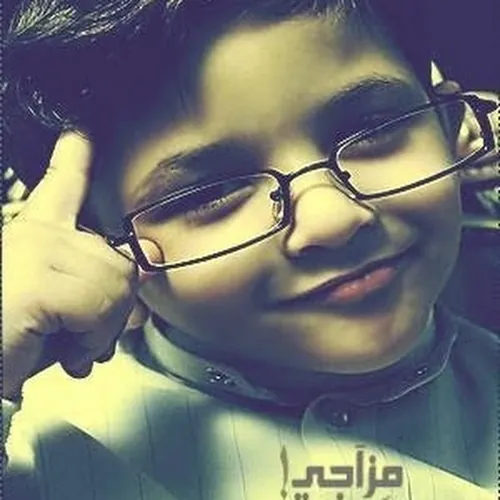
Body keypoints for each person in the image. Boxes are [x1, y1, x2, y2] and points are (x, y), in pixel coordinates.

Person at [2, 0, 498, 499]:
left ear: (449, 127)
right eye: (211, 193)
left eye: (372, 130)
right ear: (94, 242)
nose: (334, 219)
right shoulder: (34, 447)